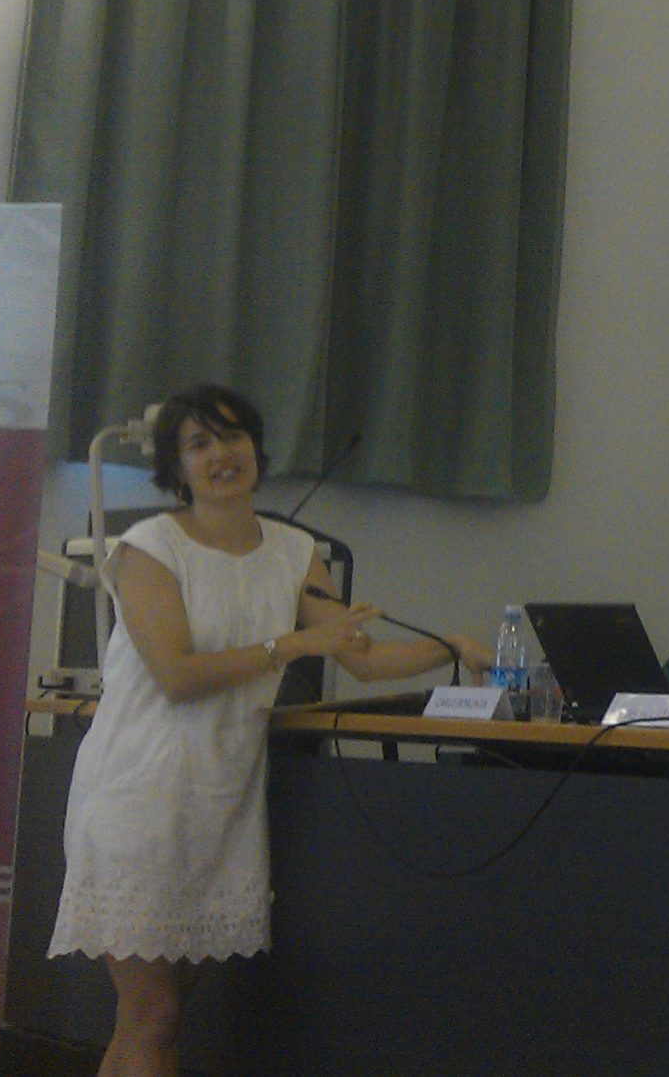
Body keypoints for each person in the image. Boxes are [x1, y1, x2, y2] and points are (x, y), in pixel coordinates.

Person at [48, 384, 490, 1077]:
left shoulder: (293, 549)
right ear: (176, 466)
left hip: (221, 803)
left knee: (154, 1021)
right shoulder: (148, 546)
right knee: (153, 1016)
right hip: (138, 795)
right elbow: (176, 674)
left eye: (232, 436)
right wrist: (292, 645)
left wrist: (450, 647)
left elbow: (362, 657)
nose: (221, 453)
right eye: (199, 443)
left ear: (256, 447)